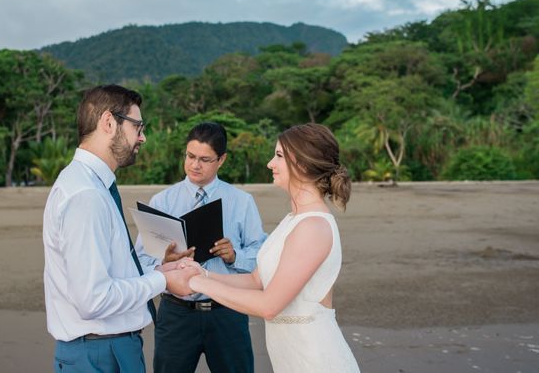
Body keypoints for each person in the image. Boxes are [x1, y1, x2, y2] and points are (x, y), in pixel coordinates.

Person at [42, 84, 197, 373]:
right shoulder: (86, 195)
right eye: (138, 126)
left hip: (106, 348)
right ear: (108, 122)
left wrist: (159, 270)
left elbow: (108, 273)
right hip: (100, 352)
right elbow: (94, 299)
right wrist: (163, 283)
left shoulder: (91, 184)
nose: (143, 137)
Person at [186, 123, 361, 372]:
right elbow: (257, 280)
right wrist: (200, 273)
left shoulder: (312, 227)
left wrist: (197, 284)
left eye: (278, 155)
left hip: (315, 360)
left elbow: (269, 305)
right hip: (291, 358)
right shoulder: (293, 220)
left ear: (302, 164)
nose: (270, 163)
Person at [136, 122, 267, 373]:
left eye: (205, 159)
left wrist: (234, 256)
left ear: (222, 160)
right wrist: (165, 262)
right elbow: (140, 260)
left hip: (228, 311)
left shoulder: (242, 201)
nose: (195, 165)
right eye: (190, 156)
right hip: (176, 314)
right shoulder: (162, 201)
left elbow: (262, 257)